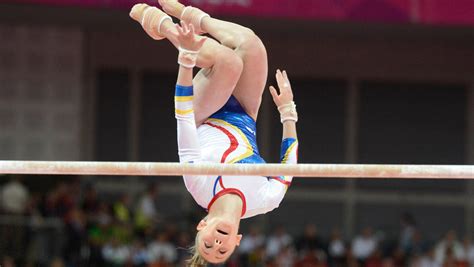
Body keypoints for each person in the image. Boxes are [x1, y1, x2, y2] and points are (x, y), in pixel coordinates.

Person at [129, 1, 299, 265]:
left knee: (228, 62)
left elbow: (183, 120)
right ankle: (189, 16)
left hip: (201, 113)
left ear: (202, 224)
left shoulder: (199, 187)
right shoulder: (265, 200)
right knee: (252, 46)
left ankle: (167, 28)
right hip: (243, 113)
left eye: (208, 245)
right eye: (222, 251)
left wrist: (186, 59)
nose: (217, 244)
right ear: (238, 241)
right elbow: (290, 165)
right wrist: (287, 111)